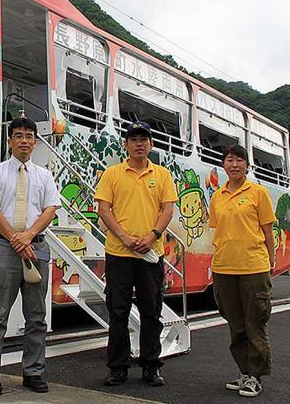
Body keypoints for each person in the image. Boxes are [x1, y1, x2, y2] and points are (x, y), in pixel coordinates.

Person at [0, 117, 60, 396]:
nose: (24, 140)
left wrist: (27, 237)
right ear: (10, 141)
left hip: (37, 246)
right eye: (18, 136)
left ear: (35, 142)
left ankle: (33, 372)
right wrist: (15, 238)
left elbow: (50, 209)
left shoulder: (44, 176)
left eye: (29, 136)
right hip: (5, 247)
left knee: (36, 315)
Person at [94, 121, 177, 387]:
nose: (139, 144)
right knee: (118, 312)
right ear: (126, 145)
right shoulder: (112, 174)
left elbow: (167, 210)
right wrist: (126, 238)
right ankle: (118, 367)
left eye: (144, 139)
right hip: (119, 253)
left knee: (151, 311)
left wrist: (152, 236)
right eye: (133, 139)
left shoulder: (162, 175)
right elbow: (104, 209)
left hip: (151, 254)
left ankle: (151, 366)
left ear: (151, 144)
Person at [209, 144, 276, 398]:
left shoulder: (258, 192)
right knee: (235, 324)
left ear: (247, 165)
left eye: (239, 160)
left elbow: (268, 231)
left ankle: (256, 376)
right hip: (224, 268)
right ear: (223, 165)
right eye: (229, 160)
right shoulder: (218, 196)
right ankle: (244, 373)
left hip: (253, 268)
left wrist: (270, 261)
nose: (234, 164)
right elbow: (216, 231)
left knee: (255, 323)